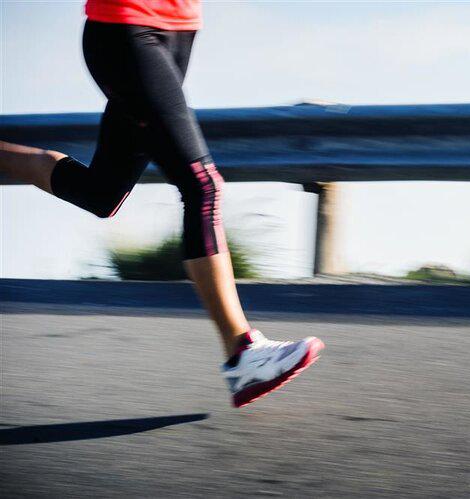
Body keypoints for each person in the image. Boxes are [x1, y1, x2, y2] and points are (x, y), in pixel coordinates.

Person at [0, 0, 324, 408]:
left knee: (102, 193)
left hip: (178, 30)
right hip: (126, 28)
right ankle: (241, 352)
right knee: (201, 186)